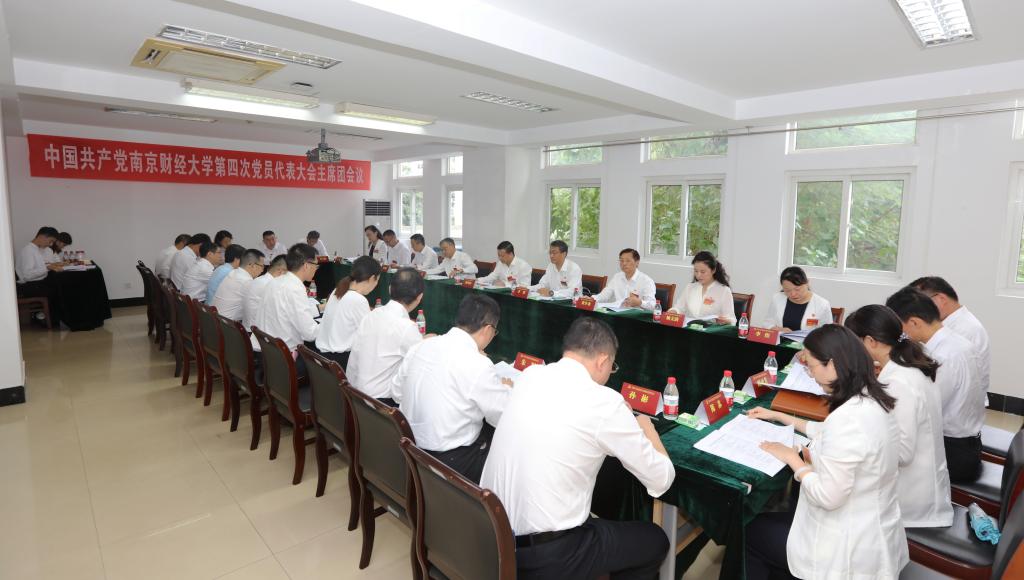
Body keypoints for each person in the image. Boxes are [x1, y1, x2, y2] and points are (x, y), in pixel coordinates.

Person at [480, 317, 674, 579]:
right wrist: (647, 429)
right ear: (603, 361)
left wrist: (617, 414)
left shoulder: (531, 375)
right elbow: (661, 478)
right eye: (612, 367)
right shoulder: (605, 403)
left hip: (493, 535)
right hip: (546, 557)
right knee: (654, 540)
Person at [745, 325, 907, 580]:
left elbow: (828, 496)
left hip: (843, 549)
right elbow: (825, 431)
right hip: (873, 531)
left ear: (832, 364)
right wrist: (778, 415)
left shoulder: (848, 420)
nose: (810, 375)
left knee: (750, 531)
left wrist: (792, 459)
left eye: (810, 367)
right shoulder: (872, 397)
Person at [845, 305, 953, 528]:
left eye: (854, 343)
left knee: (837, 495)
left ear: (870, 341)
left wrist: (853, 443)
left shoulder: (899, 381)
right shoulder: (909, 362)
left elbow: (902, 453)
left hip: (912, 499)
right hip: (922, 480)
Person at [393, 294, 510, 482]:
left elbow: (396, 393)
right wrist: (505, 388)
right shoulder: (478, 364)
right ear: (488, 329)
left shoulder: (421, 346)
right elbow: (503, 416)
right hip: (451, 462)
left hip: (410, 449)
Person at [886, 287, 984, 483]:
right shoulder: (957, 342)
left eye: (899, 327)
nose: (899, 334)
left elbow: (925, 409)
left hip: (954, 452)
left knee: (883, 455)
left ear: (914, 322)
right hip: (966, 441)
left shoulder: (942, 356)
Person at [347, 267, 424, 405]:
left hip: (358, 396)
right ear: (419, 297)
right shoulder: (407, 328)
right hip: (382, 405)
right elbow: (418, 369)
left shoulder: (371, 315)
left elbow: (354, 358)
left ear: (389, 289)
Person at [910, 276, 990, 396]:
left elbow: (939, 375)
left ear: (941, 299)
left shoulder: (966, 329)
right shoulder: (950, 323)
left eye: (920, 304)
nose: (917, 311)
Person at [250, 244, 323, 376]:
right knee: (329, 362)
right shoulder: (295, 288)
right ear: (306, 265)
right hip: (282, 361)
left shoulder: (275, 281)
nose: (316, 269)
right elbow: (310, 334)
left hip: (266, 353)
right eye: (316, 265)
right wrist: (329, 325)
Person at [314, 256, 381, 368]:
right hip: (339, 360)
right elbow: (369, 335)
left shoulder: (338, 290)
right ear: (372, 278)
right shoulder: (358, 300)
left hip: (323, 356)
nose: (376, 284)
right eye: (377, 280)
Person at [669, 251, 736, 324]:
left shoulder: (724, 291)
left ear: (713, 270)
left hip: (710, 330)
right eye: (696, 271)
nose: (698, 275)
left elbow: (732, 320)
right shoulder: (690, 287)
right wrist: (673, 311)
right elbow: (679, 308)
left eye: (703, 272)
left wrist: (726, 321)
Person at [15, 227, 64, 324]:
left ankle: (48, 317)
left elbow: (38, 267)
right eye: (50, 241)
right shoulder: (28, 251)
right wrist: (47, 268)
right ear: (42, 236)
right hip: (28, 285)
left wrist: (50, 266)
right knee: (58, 289)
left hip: (37, 282)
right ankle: (44, 318)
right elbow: (27, 275)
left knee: (59, 283)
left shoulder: (36, 249)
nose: (50, 244)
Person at [763, 266, 833, 331]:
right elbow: (767, 323)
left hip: (809, 340)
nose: (793, 294)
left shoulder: (822, 304)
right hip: (780, 339)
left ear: (807, 283)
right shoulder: (777, 298)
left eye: (797, 289)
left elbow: (827, 333)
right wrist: (778, 329)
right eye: (787, 290)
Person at [212, 249, 264, 322]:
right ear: (252, 265)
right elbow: (256, 308)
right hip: (227, 324)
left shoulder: (233, 272)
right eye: (262, 266)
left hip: (215, 319)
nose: (262, 270)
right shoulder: (246, 281)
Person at [243, 255, 287, 332]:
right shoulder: (271, 284)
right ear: (280, 271)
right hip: (257, 333)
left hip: (249, 328)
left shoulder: (260, 279)